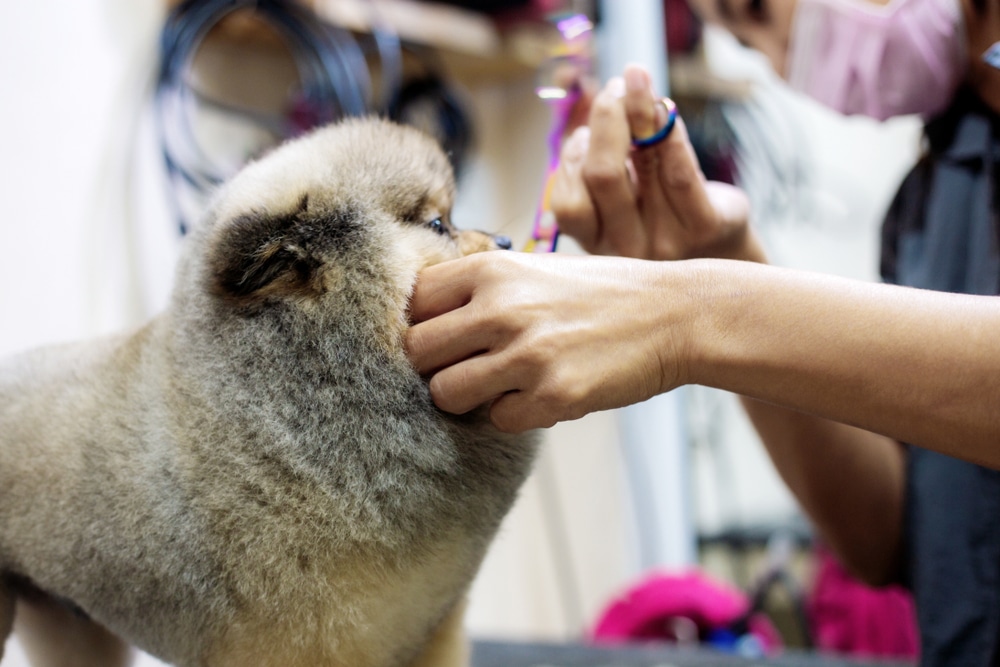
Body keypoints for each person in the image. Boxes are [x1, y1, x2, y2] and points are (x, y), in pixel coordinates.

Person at [405, 0, 1000, 662]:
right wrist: (720, 259)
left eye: (757, 9)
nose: (777, 52)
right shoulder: (939, 190)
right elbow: (896, 538)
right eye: (741, 33)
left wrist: (697, 314)